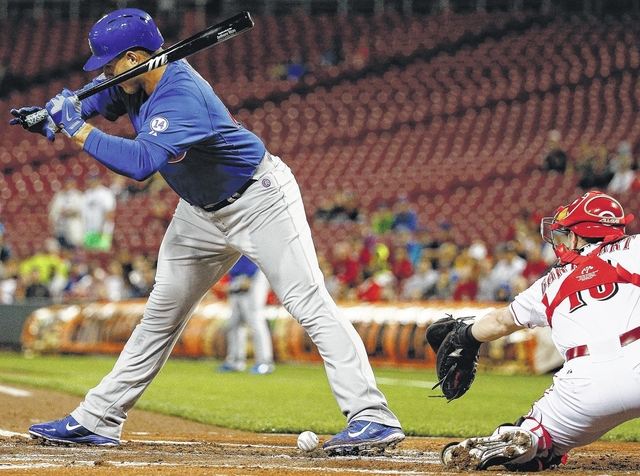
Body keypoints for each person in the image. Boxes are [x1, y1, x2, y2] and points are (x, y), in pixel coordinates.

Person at [11, 8, 403, 453]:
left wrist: (74, 127)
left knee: (308, 302)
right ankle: (98, 419)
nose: (104, 72)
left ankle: (373, 417)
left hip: (259, 200)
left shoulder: (181, 94)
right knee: (161, 314)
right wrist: (53, 112)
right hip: (200, 212)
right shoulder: (135, 81)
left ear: (135, 57)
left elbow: (140, 164)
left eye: (110, 63)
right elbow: (97, 99)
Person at [439, 190, 640, 471]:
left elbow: (501, 321)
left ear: (577, 235)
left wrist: (466, 336)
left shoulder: (552, 281)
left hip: (583, 381)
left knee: (540, 440)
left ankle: (526, 438)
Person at [217, 255, 275, 375]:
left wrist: (251, 273)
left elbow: (256, 250)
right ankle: (235, 361)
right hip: (237, 276)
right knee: (234, 322)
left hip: (255, 273)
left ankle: (265, 362)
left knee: (255, 319)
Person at [82, 173, 116, 251]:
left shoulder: (106, 193)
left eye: (94, 180)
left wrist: (104, 228)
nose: (92, 182)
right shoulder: (87, 194)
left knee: (102, 252)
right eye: (91, 180)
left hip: (103, 230)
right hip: (89, 230)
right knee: (90, 253)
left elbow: (110, 212)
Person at [48, 176, 84, 250]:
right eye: (67, 183)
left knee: (74, 247)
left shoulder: (79, 196)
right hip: (61, 227)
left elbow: (80, 211)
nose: (68, 185)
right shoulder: (59, 196)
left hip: (73, 227)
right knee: (62, 248)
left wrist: (67, 212)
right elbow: (53, 211)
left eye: (70, 183)